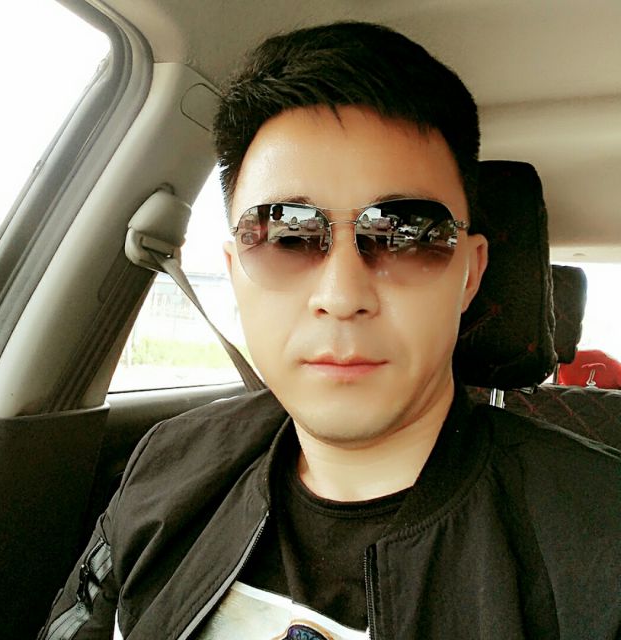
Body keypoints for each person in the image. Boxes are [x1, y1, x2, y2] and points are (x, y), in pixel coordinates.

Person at [40, 22, 620, 640]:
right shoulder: (166, 467)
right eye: (285, 234)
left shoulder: (600, 540)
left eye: (406, 234)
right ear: (235, 272)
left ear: (469, 275)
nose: (342, 297)